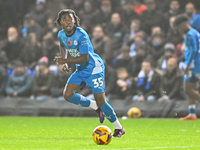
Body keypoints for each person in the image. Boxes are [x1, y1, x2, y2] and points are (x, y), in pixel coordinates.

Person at [54, 9, 125, 137]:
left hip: (94, 68)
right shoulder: (61, 35)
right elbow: (63, 45)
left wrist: (65, 60)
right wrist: (64, 61)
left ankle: (119, 128)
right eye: (64, 19)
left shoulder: (81, 35)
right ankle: (95, 107)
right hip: (81, 69)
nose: (68, 21)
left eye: (70, 18)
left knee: (101, 101)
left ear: (74, 20)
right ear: (60, 22)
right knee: (67, 95)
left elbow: (84, 58)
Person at [173, 14, 200, 120]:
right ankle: (192, 114)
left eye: (179, 27)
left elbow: (193, 50)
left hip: (193, 64)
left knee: (188, 90)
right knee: (191, 88)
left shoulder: (190, 34)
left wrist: (187, 65)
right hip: (196, 63)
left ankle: (192, 114)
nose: (179, 30)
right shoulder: (195, 32)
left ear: (183, 25)